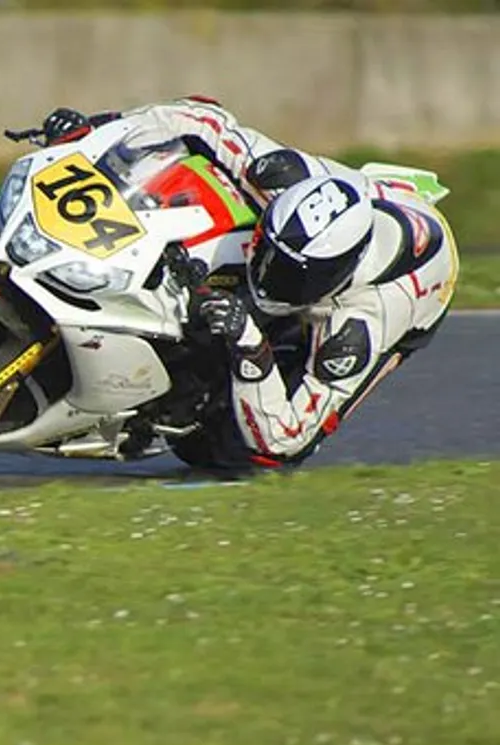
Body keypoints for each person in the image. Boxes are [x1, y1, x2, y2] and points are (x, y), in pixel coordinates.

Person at [38, 97, 460, 470]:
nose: (266, 279)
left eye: (290, 279)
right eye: (268, 256)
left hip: (419, 289)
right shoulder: (279, 176)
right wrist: (100, 127)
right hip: (368, 205)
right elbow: (201, 117)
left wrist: (251, 346)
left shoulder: (361, 324)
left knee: (235, 450)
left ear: (331, 282)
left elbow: (287, 438)